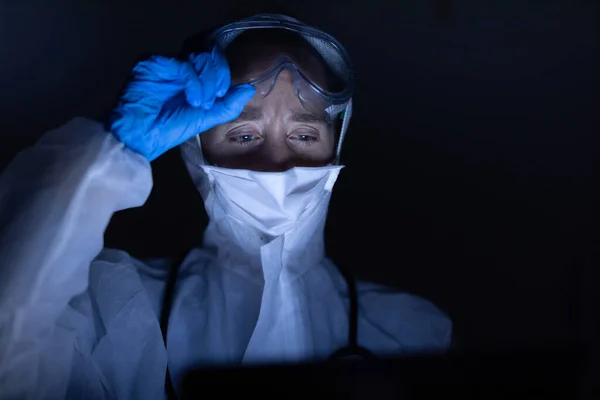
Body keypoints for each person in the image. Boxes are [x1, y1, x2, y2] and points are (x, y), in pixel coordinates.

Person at [0, 14, 451, 400]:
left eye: (304, 136)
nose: (277, 164)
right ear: (197, 157)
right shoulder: (107, 309)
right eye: (244, 136)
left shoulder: (411, 332)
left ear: (335, 151)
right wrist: (106, 156)